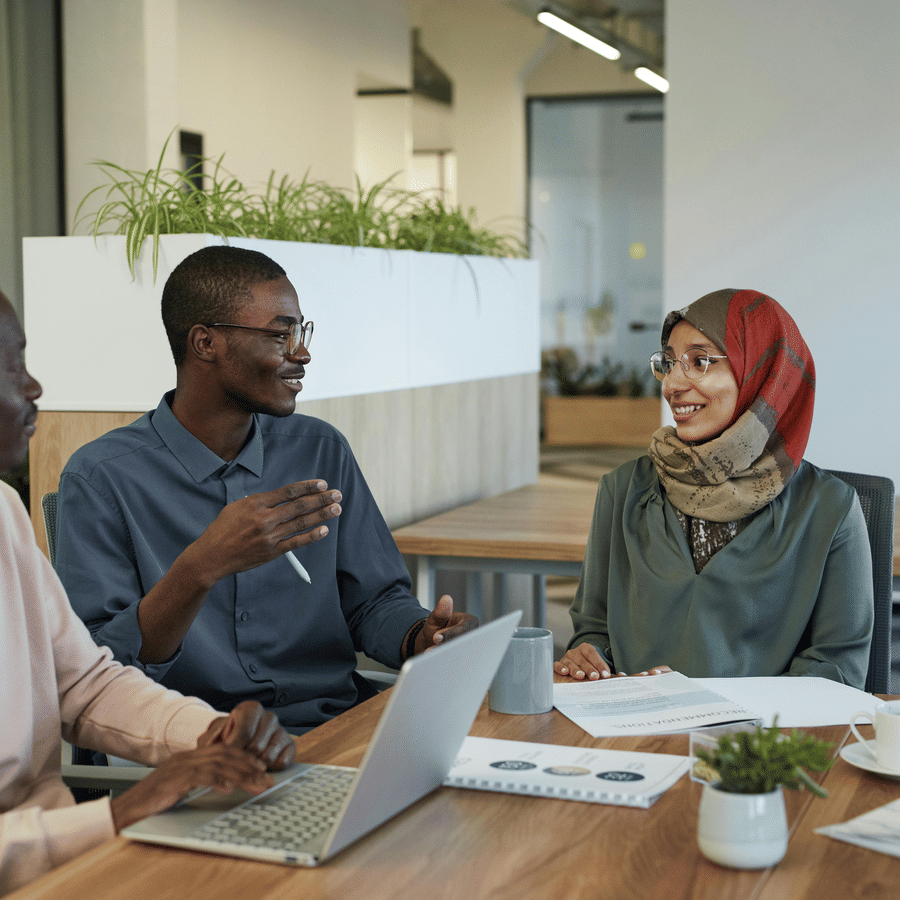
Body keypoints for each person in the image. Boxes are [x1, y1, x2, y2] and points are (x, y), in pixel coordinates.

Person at [56, 245, 477, 735]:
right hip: (201, 751)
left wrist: (418, 636)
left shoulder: (320, 450)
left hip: (335, 730)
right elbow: (98, 664)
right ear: (205, 343)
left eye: (301, 331)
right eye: (280, 334)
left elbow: (374, 601)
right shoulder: (102, 478)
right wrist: (202, 565)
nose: (302, 352)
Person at [0, 289, 297, 893]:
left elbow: (84, 684)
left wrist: (209, 736)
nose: (33, 389)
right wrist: (116, 813)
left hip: (81, 859)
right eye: (10, 368)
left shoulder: (4, 512)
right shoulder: (102, 471)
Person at [554, 288, 873, 687]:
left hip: (760, 742)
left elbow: (838, 669)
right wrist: (589, 656)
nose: (672, 383)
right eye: (668, 363)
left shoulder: (830, 509)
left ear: (763, 374)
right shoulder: (622, 490)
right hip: (636, 735)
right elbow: (593, 628)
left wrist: (719, 710)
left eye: (700, 361)